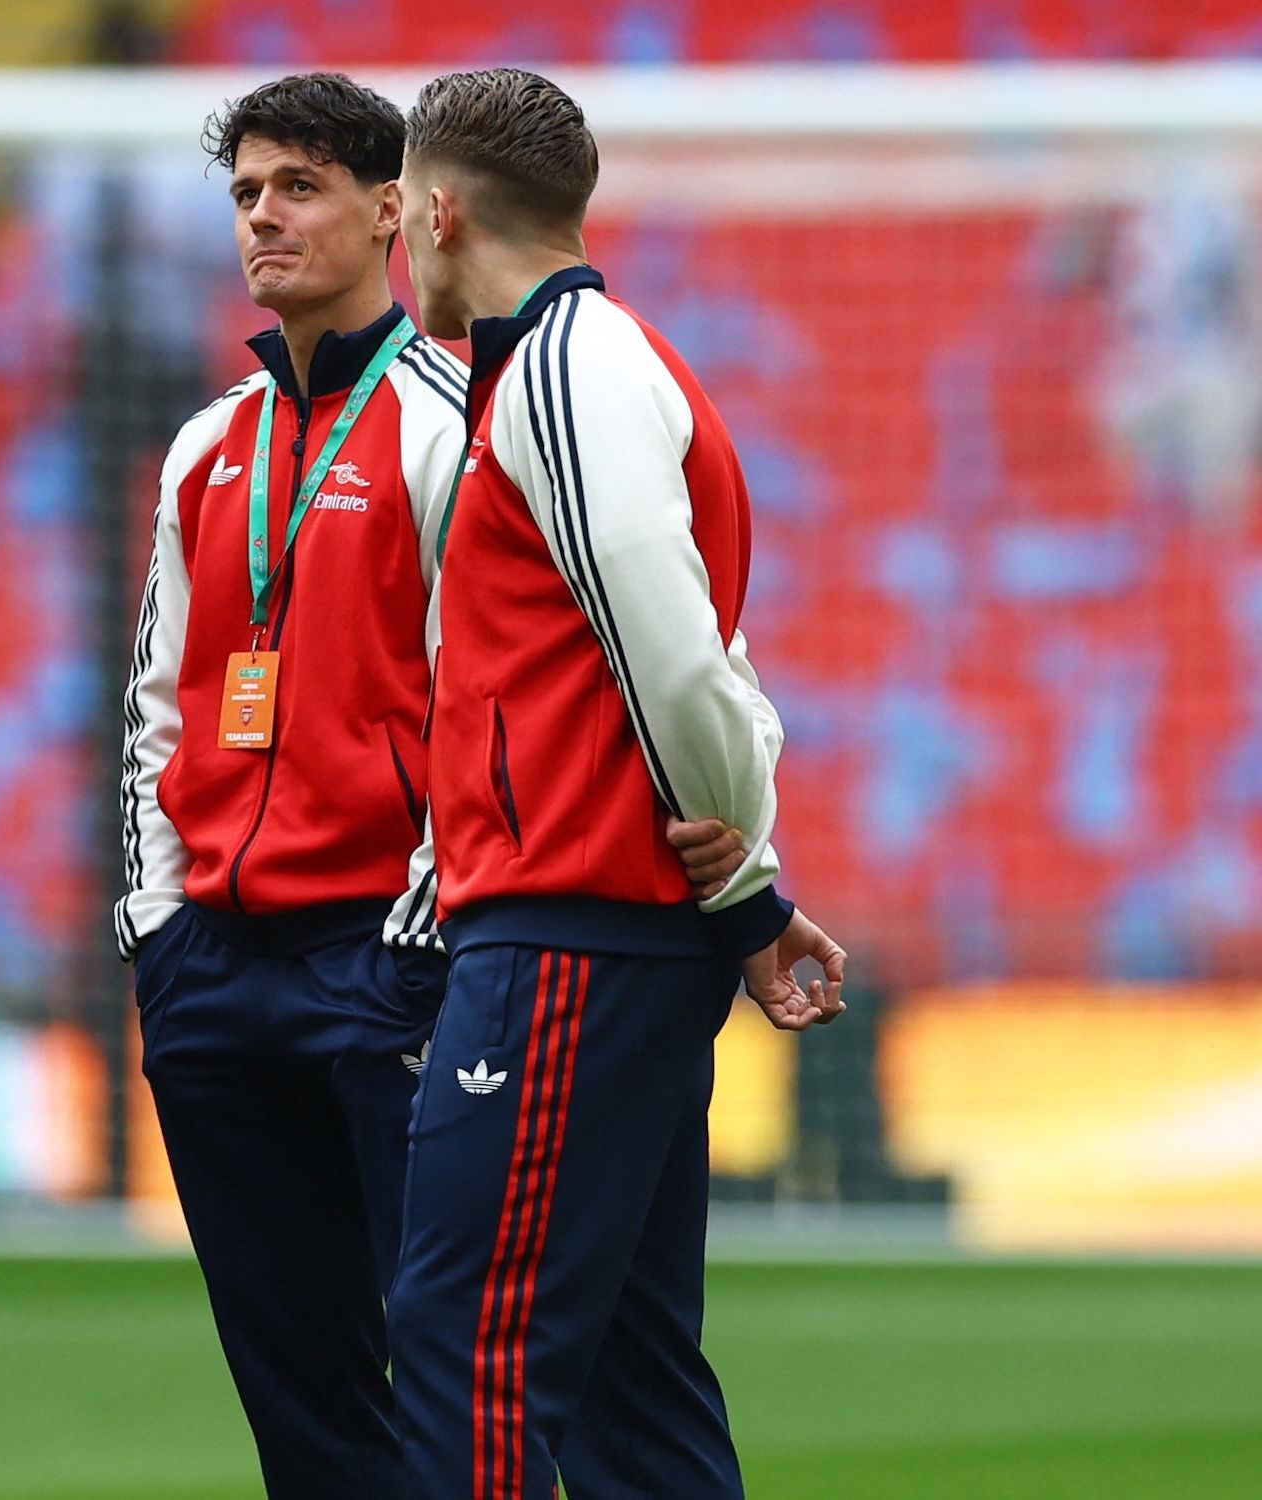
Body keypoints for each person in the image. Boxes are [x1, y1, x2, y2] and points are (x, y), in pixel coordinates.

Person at [387, 68, 848, 1500]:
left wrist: (748, 879)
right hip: (606, 930)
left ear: (443, 211)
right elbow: (711, 654)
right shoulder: (594, 367)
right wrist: (744, 893)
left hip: (571, 934)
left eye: (399, 214)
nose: (402, 249)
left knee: (471, 1350)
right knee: (634, 1379)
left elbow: (674, 651)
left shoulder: (565, 369)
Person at [112, 72, 467, 1496]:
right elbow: (155, 707)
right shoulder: (209, 448)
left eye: (299, 187)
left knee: (450, 1377)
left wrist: (421, 938)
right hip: (213, 973)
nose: (264, 215)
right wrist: (160, 923)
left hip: (382, 962)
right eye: (249, 191)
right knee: (295, 1398)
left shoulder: (450, 428)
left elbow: (478, 709)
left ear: (390, 212)